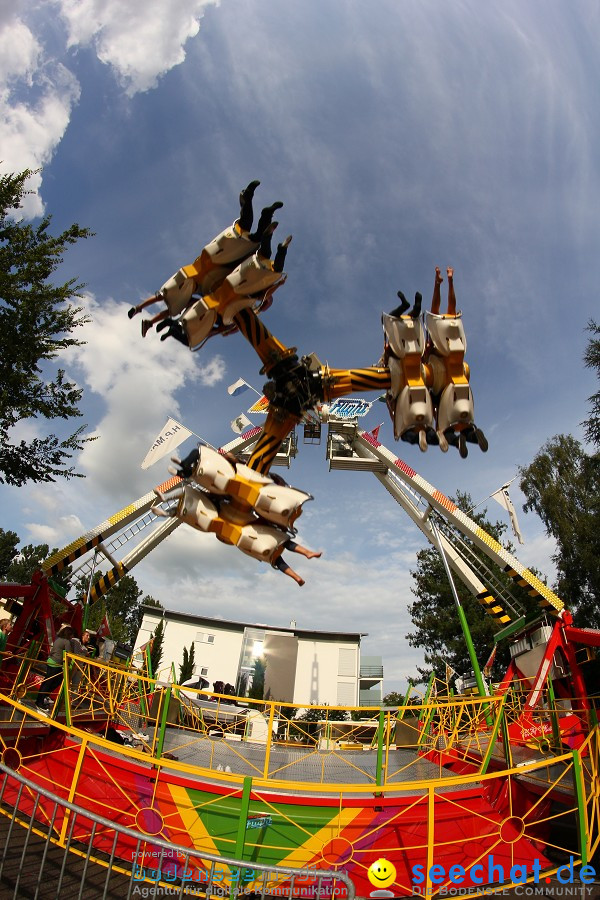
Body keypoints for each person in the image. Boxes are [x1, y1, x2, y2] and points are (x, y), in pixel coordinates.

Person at [35, 624, 75, 715]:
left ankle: (43, 697)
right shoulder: (67, 642)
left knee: (48, 681)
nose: (73, 636)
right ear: (69, 634)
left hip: (51, 661)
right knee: (50, 682)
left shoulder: (58, 639)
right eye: (72, 634)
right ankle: (40, 701)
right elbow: (69, 654)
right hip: (56, 664)